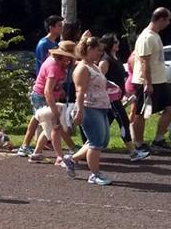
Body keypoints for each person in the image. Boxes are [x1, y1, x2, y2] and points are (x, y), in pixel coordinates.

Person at [132, 7, 171, 154]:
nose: (169, 23)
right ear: (161, 19)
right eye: (168, 20)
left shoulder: (155, 35)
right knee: (141, 113)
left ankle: (158, 140)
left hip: (159, 81)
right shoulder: (147, 37)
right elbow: (144, 62)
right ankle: (138, 143)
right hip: (146, 82)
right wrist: (147, 83)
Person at [67, 37, 112, 185]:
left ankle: (72, 159)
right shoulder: (82, 68)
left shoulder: (95, 66)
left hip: (101, 107)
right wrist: (79, 111)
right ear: (89, 50)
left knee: (102, 141)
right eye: (98, 50)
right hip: (89, 107)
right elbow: (80, 91)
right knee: (96, 142)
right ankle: (94, 174)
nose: (101, 53)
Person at [25, 41, 77, 169]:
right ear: (62, 55)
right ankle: (59, 157)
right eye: (69, 56)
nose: (70, 59)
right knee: (56, 127)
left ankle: (36, 153)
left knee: (48, 128)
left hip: (48, 97)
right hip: (43, 98)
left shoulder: (60, 63)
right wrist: (55, 111)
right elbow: (47, 91)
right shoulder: (53, 66)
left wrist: (60, 91)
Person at [99, 34, 149, 161]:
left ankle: (89, 149)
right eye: (115, 41)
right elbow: (99, 79)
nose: (117, 43)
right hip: (111, 99)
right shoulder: (105, 60)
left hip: (117, 97)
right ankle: (133, 152)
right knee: (124, 121)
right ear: (109, 44)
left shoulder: (115, 58)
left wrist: (126, 94)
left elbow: (121, 78)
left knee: (104, 126)